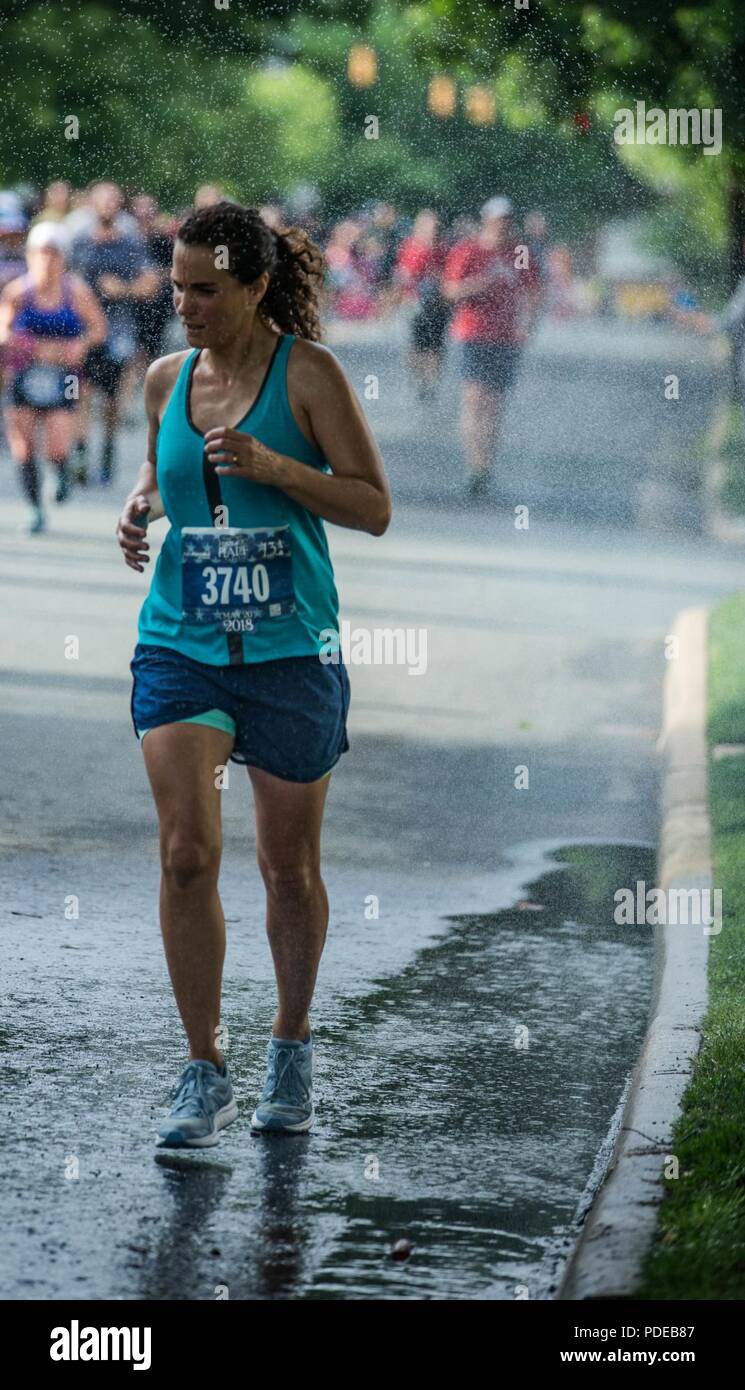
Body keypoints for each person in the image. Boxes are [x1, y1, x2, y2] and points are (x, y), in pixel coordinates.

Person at [115, 202, 391, 1147]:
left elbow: (372, 506)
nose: (185, 305)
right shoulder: (165, 380)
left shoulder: (309, 374)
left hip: (288, 655)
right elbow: (166, 472)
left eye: (206, 290)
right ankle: (203, 1066)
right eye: (177, 286)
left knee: (286, 867)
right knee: (187, 851)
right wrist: (141, 503)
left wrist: (277, 464)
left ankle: (291, 1042)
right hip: (181, 643)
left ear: (256, 285)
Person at [0, 222, 106, 533]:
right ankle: (35, 509)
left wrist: (80, 344)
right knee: (23, 445)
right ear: (30, 256)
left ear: (63, 258)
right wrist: (23, 343)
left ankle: (61, 469)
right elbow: (3, 329)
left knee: (58, 444)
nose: (47, 261)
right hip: (24, 371)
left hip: (66, 377)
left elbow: (99, 330)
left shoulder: (77, 292)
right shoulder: (19, 292)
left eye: (54, 255)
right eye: (41, 254)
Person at [442, 196, 542, 500]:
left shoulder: (519, 253)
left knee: (494, 405)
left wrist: (529, 325)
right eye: (498, 220)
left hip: (507, 336)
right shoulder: (468, 251)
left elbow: (533, 291)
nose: (503, 226)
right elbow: (450, 291)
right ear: (486, 220)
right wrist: (480, 284)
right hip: (472, 332)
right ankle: (474, 466)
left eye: (508, 221)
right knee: (474, 398)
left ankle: (485, 466)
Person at [70, 182, 159, 484]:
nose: (108, 206)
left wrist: (122, 289)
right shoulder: (78, 242)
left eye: (114, 201)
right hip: (83, 331)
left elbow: (151, 284)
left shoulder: (130, 244)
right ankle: (80, 454)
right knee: (81, 392)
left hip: (118, 334)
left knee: (110, 401)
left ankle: (107, 454)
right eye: (103, 200)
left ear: (120, 206)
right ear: (91, 204)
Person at [394, 210, 451, 400]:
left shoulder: (443, 248)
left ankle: (431, 381)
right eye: (428, 226)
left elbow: (450, 274)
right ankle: (418, 378)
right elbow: (401, 275)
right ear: (419, 227)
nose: (432, 231)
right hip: (414, 302)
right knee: (416, 344)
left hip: (438, 304)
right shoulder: (409, 246)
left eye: (435, 227)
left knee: (435, 345)